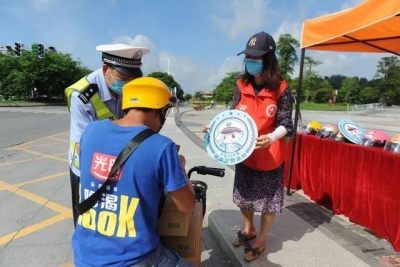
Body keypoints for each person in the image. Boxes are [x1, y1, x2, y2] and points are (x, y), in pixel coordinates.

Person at [72, 77, 196, 266]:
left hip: (84, 256)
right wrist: (180, 167)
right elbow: (187, 206)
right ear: (161, 110)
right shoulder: (161, 146)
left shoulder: (91, 130)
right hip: (135, 260)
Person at [204, 31, 293, 261]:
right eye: (249, 57)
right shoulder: (241, 84)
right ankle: (248, 228)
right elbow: (232, 116)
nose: (252, 62)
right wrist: (215, 128)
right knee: (243, 198)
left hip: (270, 156)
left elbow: (286, 124)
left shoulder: (281, 89)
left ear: (269, 60)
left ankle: (261, 239)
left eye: (257, 58)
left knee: (267, 203)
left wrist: (272, 138)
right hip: (244, 154)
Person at [65, 43, 150, 227]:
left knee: (114, 219)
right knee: (86, 219)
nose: (128, 83)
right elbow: (83, 147)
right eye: (122, 77)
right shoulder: (82, 95)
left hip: (119, 163)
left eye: (132, 79)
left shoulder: (133, 89)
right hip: (87, 167)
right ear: (106, 69)